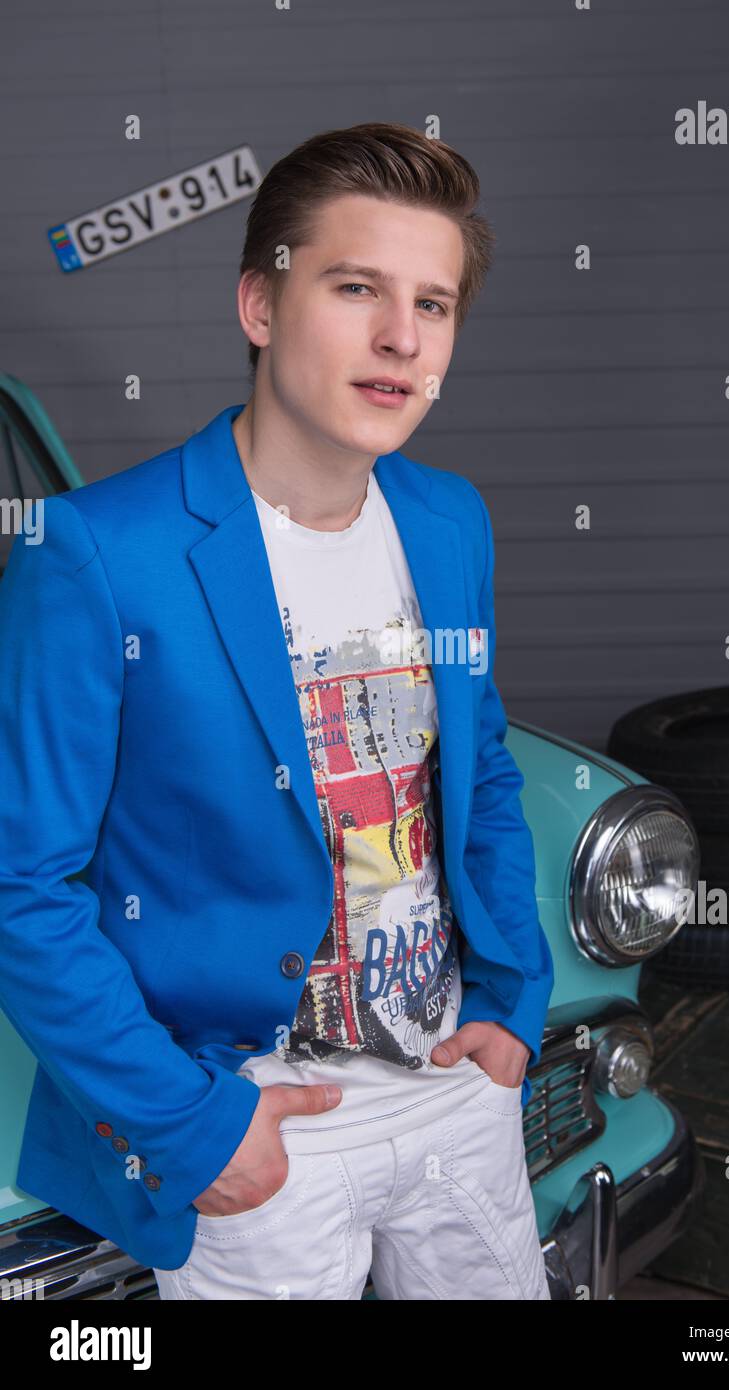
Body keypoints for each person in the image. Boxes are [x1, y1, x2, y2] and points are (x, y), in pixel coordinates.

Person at [0, 122, 555, 1300]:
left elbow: (483, 766)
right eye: (357, 288)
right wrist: (190, 1126)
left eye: (436, 304)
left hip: (456, 1078)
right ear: (261, 302)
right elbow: (20, 884)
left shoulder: (449, 519)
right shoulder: (100, 554)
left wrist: (514, 995)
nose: (403, 338)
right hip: (255, 1116)